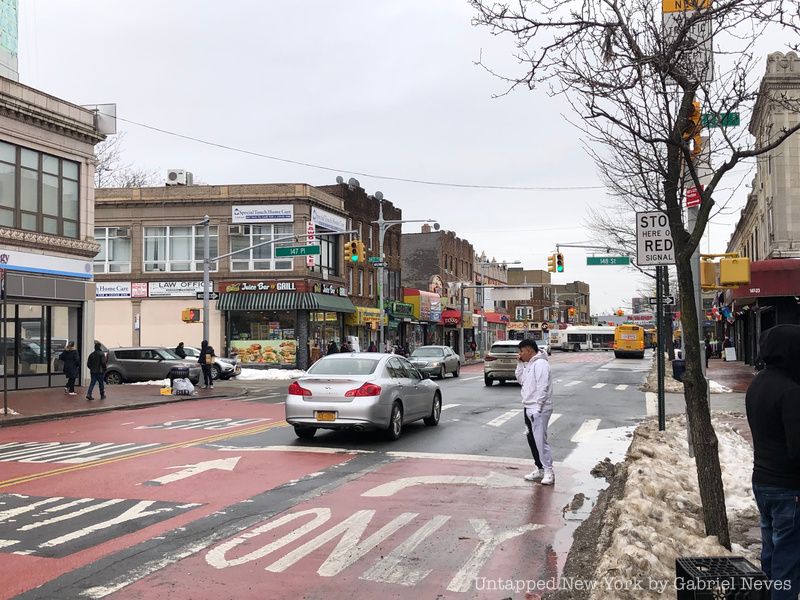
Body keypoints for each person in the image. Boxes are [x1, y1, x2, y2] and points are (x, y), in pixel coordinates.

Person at [745, 324, 800, 598]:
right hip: (789, 489)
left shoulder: (758, 383)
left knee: (771, 554)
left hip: (762, 482)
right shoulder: (791, 391)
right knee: (788, 561)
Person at [516, 339, 554, 485]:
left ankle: (548, 470)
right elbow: (521, 380)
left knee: (540, 440)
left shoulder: (541, 364)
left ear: (529, 351)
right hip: (528, 406)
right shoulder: (529, 364)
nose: (520, 354)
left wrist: (538, 408)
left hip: (539, 408)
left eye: (521, 351)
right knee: (531, 439)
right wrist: (520, 364)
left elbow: (542, 387)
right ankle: (540, 468)